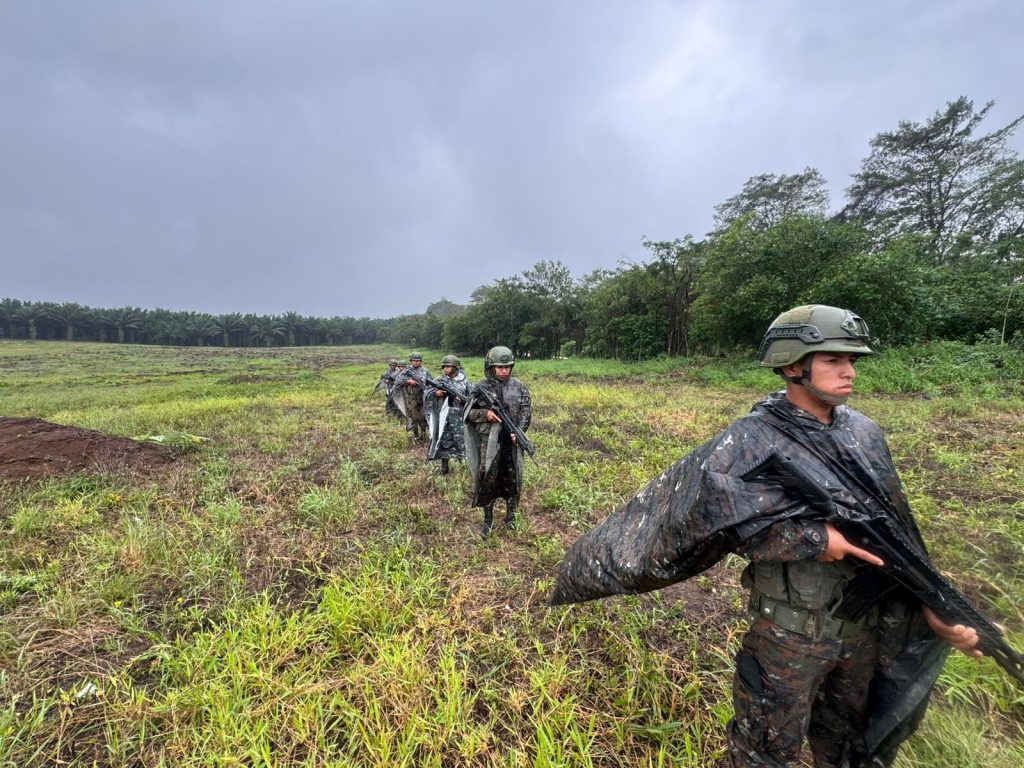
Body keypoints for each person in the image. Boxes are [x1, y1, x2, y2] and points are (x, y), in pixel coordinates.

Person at [550, 305, 980, 767]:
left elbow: (896, 532)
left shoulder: (863, 433)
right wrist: (816, 540)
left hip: (863, 634)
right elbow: (715, 522)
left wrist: (928, 603)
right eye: (834, 359)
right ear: (795, 364)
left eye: (853, 360)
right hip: (790, 635)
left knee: (853, 749)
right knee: (764, 752)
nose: (849, 371)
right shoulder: (752, 439)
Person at [464, 345, 532, 538]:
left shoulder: (519, 387)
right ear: (490, 367)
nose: (504, 371)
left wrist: (519, 431)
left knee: (514, 479)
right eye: (499, 367)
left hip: (512, 444)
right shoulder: (480, 388)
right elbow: (468, 414)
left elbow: (526, 412)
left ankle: (511, 516)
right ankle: (488, 520)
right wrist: (486, 414)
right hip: (490, 444)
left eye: (507, 367)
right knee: (487, 479)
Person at [425, 355, 471, 474]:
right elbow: (427, 392)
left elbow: (472, 397)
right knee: (444, 441)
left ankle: (463, 467)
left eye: (449, 366)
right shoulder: (440, 380)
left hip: (460, 417)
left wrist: (463, 401)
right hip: (444, 417)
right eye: (445, 366)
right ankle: (444, 467)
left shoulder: (464, 381)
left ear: (456, 368)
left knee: (461, 441)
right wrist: (436, 393)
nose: (446, 369)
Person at [393, 352, 431, 440]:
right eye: (414, 361)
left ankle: (423, 434)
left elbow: (431, 383)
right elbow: (397, 382)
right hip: (411, 398)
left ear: (421, 362)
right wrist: (408, 381)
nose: (416, 362)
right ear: (411, 361)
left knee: (423, 416)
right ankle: (416, 434)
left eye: (418, 361)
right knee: (414, 417)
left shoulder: (425, 371)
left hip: (423, 397)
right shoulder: (406, 371)